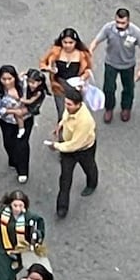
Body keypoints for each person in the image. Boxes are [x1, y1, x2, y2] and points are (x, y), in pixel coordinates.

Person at [88, 8, 140, 123]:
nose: (120, 25)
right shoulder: (109, 28)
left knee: (129, 88)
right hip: (111, 63)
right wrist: (90, 51)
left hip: (128, 65)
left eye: (123, 23)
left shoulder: (136, 32)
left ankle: (126, 108)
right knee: (109, 88)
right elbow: (96, 41)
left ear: (128, 21)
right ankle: (109, 108)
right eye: (118, 22)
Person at [48, 88, 98, 218]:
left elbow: (75, 144)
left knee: (89, 167)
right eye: (66, 103)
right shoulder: (71, 109)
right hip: (68, 147)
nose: (66, 106)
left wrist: (56, 146)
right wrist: (60, 125)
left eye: (69, 104)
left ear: (78, 104)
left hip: (83, 149)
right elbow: (65, 116)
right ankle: (62, 207)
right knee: (65, 178)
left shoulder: (84, 121)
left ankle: (92, 184)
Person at [0, 64, 33, 183]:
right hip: (7, 121)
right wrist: (13, 111)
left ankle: (23, 170)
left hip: (25, 119)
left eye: (10, 79)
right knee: (9, 143)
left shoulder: (23, 84)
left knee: (22, 144)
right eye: (4, 79)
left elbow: (36, 89)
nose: (7, 82)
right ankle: (13, 160)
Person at [40, 28, 93, 118]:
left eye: (71, 43)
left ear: (76, 42)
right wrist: (48, 68)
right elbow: (42, 63)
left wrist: (83, 78)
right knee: (61, 111)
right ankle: (62, 126)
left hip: (75, 86)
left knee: (75, 110)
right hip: (59, 84)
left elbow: (88, 69)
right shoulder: (55, 51)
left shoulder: (82, 54)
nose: (68, 45)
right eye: (65, 42)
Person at [14, 69, 48, 137]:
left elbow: (30, 101)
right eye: (29, 81)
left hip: (32, 106)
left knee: (18, 113)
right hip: (26, 101)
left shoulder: (39, 92)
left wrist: (20, 99)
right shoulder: (27, 87)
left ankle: (21, 128)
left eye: (33, 83)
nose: (30, 84)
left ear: (39, 82)